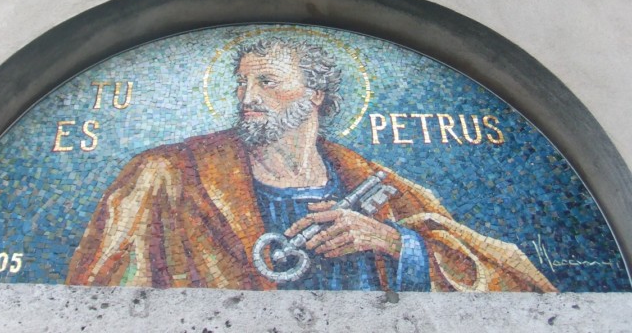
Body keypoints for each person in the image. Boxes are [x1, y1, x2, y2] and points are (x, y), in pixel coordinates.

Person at [67, 38, 555, 292]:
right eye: (241, 84)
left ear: (315, 94)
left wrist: (391, 242)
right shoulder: (167, 174)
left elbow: (518, 286)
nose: (247, 98)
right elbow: (100, 295)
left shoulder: (377, 184)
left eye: (267, 82)